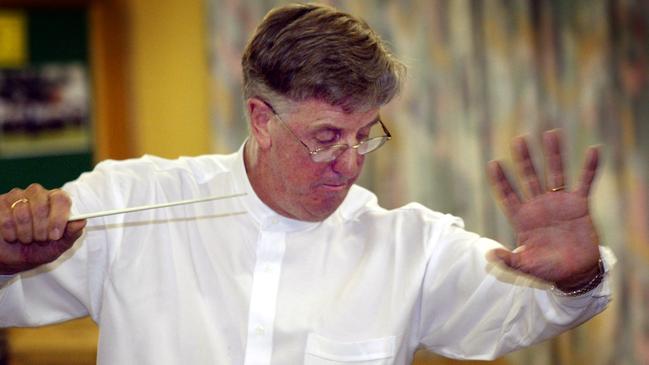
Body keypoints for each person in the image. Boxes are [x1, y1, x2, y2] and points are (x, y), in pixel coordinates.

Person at [0, 3, 613, 364]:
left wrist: (577, 275)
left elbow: (523, 309)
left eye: (365, 134)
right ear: (261, 119)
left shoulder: (412, 246)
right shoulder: (131, 203)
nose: (349, 161)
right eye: (325, 138)